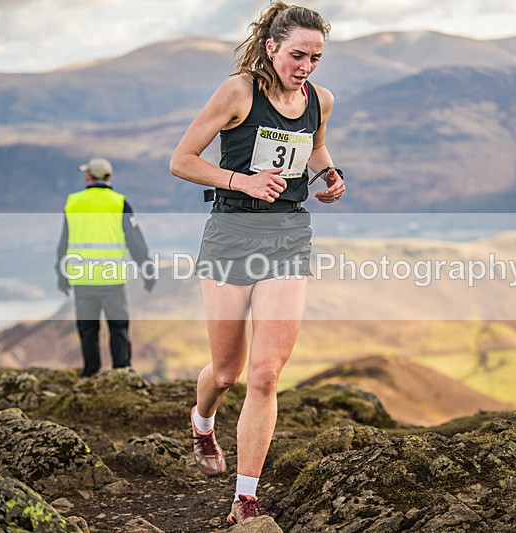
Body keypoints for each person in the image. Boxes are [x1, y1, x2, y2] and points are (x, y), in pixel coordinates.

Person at [169, 2, 344, 524]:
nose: (306, 66)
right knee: (227, 371)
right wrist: (241, 180)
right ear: (271, 47)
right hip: (230, 232)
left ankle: (245, 497)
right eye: (297, 55)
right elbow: (181, 161)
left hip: (288, 233)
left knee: (265, 374)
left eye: (315, 57)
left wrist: (330, 175)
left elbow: (313, 147)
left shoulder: (321, 99)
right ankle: (202, 421)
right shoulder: (238, 92)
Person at [55, 157, 156, 377]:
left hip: (82, 278)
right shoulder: (120, 203)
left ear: (89, 176)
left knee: (88, 329)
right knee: (118, 327)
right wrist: (147, 271)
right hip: (112, 279)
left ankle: (90, 373)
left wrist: (61, 275)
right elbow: (135, 242)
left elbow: (64, 242)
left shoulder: (73, 202)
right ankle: (122, 372)